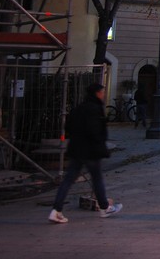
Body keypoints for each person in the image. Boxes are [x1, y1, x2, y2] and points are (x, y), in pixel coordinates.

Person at [48, 83, 123, 223]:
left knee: (68, 180)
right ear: (96, 93)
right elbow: (94, 131)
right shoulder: (95, 109)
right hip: (90, 150)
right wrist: (100, 144)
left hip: (76, 149)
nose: (103, 94)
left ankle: (56, 210)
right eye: (102, 92)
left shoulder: (79, 108)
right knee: (97, 179)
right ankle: (104, 208)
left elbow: (68, 126)